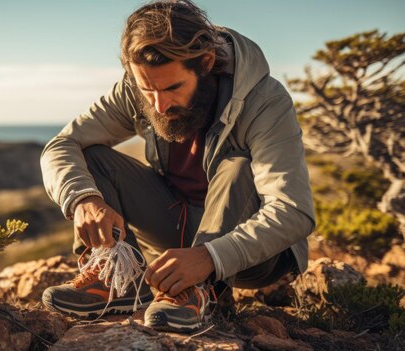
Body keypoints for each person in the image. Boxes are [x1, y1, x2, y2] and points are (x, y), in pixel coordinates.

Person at [40, 0, 315, 333]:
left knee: (236, 165)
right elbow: (61, 145)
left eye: (173, 87)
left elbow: (293, 211)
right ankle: (120, 281)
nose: (159, 104)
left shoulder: (264, 100)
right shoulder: (137, 90)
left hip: (252, 256)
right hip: (175, 226)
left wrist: (209, 256)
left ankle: (198, 292)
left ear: (206, 63)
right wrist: (84, 199)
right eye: (147, 89)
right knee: (92, 157)